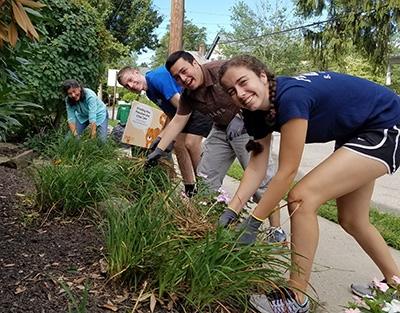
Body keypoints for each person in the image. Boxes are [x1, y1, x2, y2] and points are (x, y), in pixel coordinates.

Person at [218, 54, 400, 313]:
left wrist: (253, 223)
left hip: (387, 124)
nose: (240, 93)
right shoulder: (254, 111)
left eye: (243, 82)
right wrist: (231, 210)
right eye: (231, 91)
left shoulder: (291, 97)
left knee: (302, 198)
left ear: (262, 76)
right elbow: (257, 166)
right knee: (352, 219)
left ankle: (295, 296)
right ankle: (395, 286)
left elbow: (287, 171)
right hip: (357, 131)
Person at [147, 50, 286, 243]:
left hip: (247, 126)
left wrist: (242, 115)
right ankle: (210, 226)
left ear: (195, 63)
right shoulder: (188, 95)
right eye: (177, 77)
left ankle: (275, 229)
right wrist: (159, 149)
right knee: (205, 180)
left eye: (185, 71)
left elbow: (254, 83)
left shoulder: (221, 70)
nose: (184, 79)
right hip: (220, 129)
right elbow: (178, 120)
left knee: (261, 182)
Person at [117, 65, 212, 197]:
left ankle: (206, 188)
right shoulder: (150, 92)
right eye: (127, 85)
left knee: (190, 143)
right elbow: (171, 115)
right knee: (179, 147)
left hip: (197, 105)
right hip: (183, 114)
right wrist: (159, 139)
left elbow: (182, 107)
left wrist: (163, 145)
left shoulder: (156, 78)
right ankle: (190, 189)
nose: (131, 85)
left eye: (131, 79)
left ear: (136, 72)